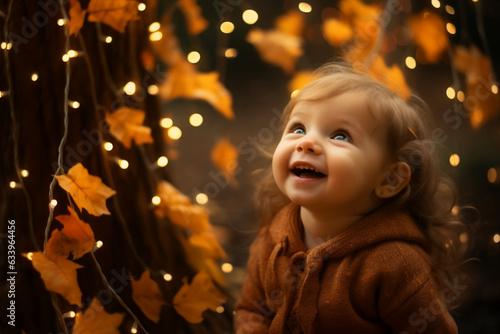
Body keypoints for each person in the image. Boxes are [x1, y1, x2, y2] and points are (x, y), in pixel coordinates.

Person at [234, 61, 468, 333]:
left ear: (389, 179)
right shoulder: (275, 238)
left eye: (340, 135)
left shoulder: (396, 265)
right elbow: (252, 310)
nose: (306, 142)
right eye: (298, 128)